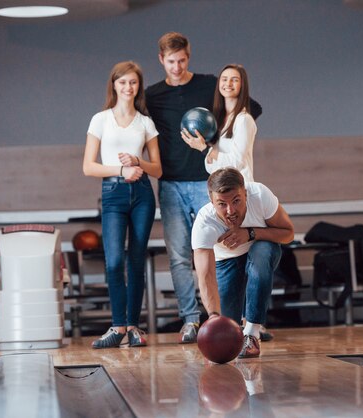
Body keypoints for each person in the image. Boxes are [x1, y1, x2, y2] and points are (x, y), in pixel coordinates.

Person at [145, 32, 262, 344]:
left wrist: (211, 144)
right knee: (180, 256)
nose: (177, 66)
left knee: (225, 250)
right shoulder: (152, 95)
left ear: (189, 56)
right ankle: (190, 320)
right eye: (171, 61)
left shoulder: (210, 84)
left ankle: (234, 321)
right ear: (161, 60)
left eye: (182, 60)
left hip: (207, 183)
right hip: (169, 184)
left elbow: (249, 110)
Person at [83, 61, 162, 349]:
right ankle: (117, 327)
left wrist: (138, 162)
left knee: (136, 260)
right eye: (123, 82)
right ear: (114, 85)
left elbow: (158, 170)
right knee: (115, 261)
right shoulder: (100, 119)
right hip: (113, 194)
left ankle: (133, 326)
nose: (128, 87)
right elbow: (89, 167)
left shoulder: (145, 122)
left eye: (133, 83)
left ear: (138, 87)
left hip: (142, 194)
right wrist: (120, 170)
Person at [191, 168, 294, 358]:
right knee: (227, 330)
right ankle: (237, 331)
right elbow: (206, 276)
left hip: (261, 248)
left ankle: (252, 333)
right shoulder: (205, 223)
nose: (230, 211)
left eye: (236, 201)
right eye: (222, 204)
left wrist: (250, 233)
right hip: (227, 262)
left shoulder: (260, 195)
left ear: (245, 193)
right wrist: (213, 317)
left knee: (261, 253)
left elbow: (288, 233)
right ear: (211, 200)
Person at [181, 63, 256, 182]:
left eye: (234, 80)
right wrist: (207, 151)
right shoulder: (218, 120)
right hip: (221, 187)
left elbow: (236, 163)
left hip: (240, 189)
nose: (228, 84)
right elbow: (212, 166)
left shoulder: (244, 120)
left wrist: (204, 149)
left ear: (242, 85)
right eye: (224, 79)